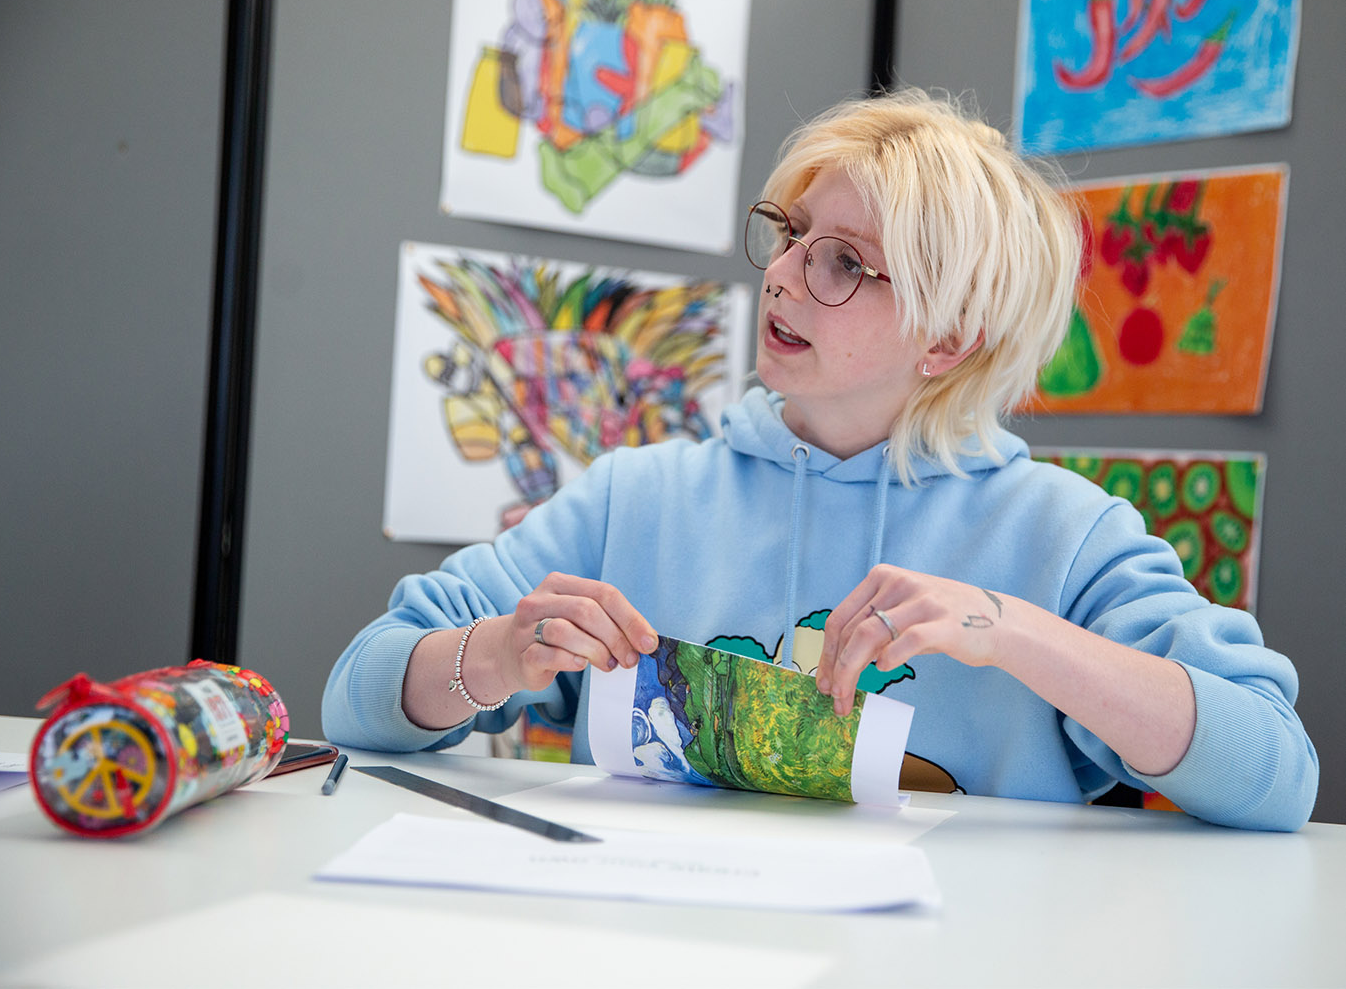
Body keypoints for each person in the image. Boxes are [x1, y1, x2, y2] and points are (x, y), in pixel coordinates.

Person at [323, 88, 1318, 832]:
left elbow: (1275, 776)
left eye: (843, 260)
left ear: (946, 340)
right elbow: (355, 697)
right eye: (792, 235)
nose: (786, 277)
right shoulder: (637, 497)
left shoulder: (1066, 533)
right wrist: (493, 656)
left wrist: (1009, 632)